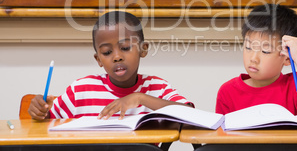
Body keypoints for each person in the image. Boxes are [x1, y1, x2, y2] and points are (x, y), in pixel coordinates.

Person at [29, 11, 193, 120]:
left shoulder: (157, 88)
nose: (117, 57)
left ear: (143, 49)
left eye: (125, 48)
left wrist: (139, 98)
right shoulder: (81, 90)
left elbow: (190, 116)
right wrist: (40, 112)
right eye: (107, 52)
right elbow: (47, 124)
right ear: (98, 59)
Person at [215, 4, 297, 118]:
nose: (253, 58)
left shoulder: (296, 84)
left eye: (265, 51)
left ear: (287, 58)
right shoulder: (228, 92)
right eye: (248, 47)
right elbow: (222, 136)